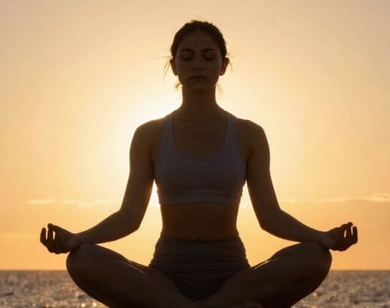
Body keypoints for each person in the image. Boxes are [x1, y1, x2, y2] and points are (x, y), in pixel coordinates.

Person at [40, 20, 358, 308]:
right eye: (187, 57)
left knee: (315, 257)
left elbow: (270, 216)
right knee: (81, 260)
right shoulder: (149, 135)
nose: (197, 65)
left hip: (232, 276)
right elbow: (129, 217)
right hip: (166, 276)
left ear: (223, 66)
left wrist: (321, 237)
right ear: (174, 66)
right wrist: (79, 238)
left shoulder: (249, 134)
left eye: (208, 57)